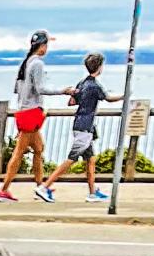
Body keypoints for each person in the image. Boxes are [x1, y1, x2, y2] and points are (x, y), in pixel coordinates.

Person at [41, 50, 108, 202]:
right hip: (85, 127)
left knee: (90, 159)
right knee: (71, 159)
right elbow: (108, 98)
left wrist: (79, 97)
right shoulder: (95, 86)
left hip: (82, 125)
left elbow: (71, 102)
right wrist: (125, 96)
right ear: (100, 67)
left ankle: (92, 192)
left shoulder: (82, 83)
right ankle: (45, 186)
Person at [0, 29, 52, 201]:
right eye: (46, 44)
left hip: (23, 111)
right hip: (31, 113)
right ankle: (4, 190)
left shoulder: (26, 63)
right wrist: (63, 91)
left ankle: (39, 186)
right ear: (42, 46)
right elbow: (40, 89)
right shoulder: (38, 64)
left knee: (38, 149)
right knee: (19, 152)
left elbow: (17, 89)